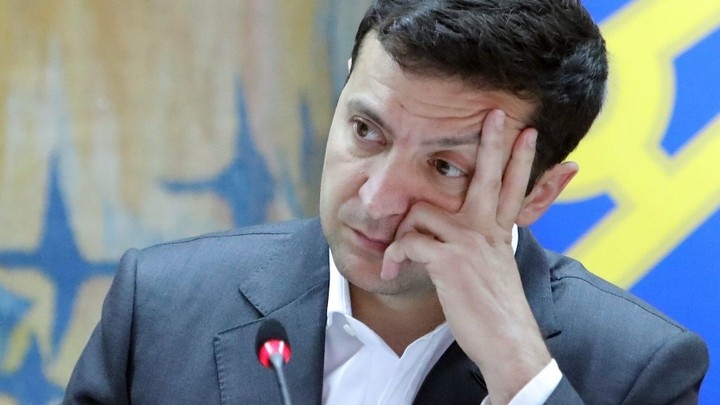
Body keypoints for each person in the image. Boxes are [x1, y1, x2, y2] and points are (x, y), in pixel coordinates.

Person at [64, 0, 709, 403]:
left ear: (537, 193)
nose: (377, 200)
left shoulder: (638, 368)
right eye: (366, 131)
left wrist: (523, 379)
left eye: (446, 166)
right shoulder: (162, 304)